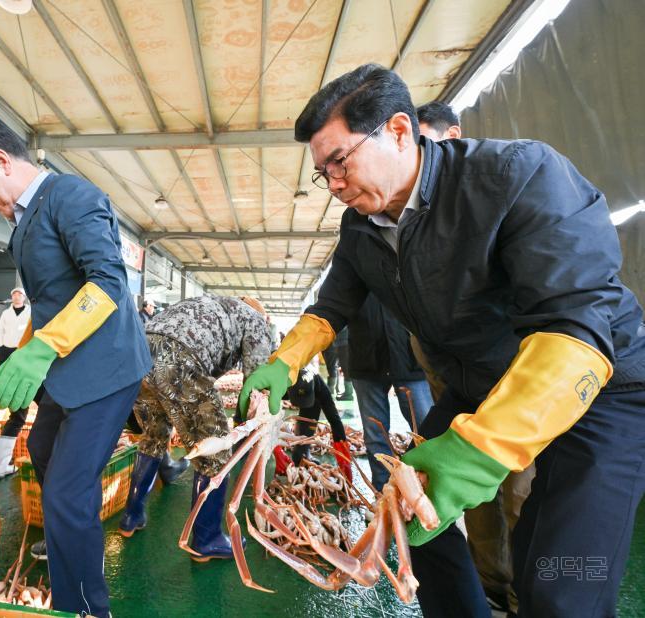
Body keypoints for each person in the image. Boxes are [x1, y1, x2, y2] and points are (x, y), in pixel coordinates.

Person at [241, 63, 645, 617]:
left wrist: (482, 448)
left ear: (400, 131)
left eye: (340, 161)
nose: (332, 184)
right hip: (479, 382)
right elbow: (331, 307)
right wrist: (282, 365)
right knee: (408, 517)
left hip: (600, 389)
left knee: (559, 582)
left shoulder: (517, 175)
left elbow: (573, 323)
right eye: (323, 172)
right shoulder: (361, 227)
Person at [0, 116, 151, 618]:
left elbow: (105, 283)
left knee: (66, 489)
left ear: (0, 159)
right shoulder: (24, 220)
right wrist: (30, 351)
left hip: (105, 369)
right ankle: (66, 563)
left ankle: (85, 608)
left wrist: (41, 349)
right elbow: (50, 299)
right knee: (39, 449)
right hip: (65, 367)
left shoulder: (71, 196)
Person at [417, 100, 533, 615]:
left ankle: (523, 591)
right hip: (449, 376)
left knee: (518, 488)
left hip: (514, 378)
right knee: (461, 494)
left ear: (453, 135)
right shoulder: (409, 218)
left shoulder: (495, 187)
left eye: (424, 144)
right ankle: (491, 584)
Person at [118, 295, 271, 560]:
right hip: (179, 358)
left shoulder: (211, 303)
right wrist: (241, 423)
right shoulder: (255, 319)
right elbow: (256, 381)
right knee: (215, 452)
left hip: (138, 355)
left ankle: (132, 516)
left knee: (153, 436)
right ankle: (206, 539)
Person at [345, 296, 433, 491]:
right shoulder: (354, 267)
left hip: (410, 359)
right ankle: (383, 493)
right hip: (366, 359)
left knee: (427, 431)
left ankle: (428, 494)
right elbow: (337, 306)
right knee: (375, 435)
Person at [275, 366, 354, 481]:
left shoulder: (321, 389)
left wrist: (344, 459)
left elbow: (335, 421)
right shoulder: (278, 382)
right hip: (286, 385)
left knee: (301, 450)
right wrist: (276, 450)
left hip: (314, 395)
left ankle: (303, 453)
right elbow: (264, 415)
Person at [0, 287, 30, 366]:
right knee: (3, 370)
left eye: (19, 295)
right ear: (12, 297)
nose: (16, 297)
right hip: (6, 347)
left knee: (19, 370)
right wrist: (0, 346)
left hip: (22, 348)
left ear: (24, 297)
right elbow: (0, 329)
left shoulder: (30, 312)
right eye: (14, 295)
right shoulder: (6, 313)